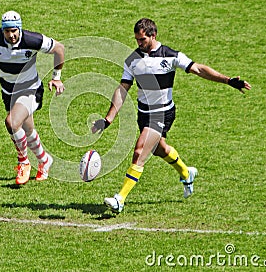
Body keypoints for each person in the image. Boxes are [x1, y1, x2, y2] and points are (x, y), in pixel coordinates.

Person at [92, 18, 251, 213]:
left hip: (162, 113)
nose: (138, 44)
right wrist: (108, 119)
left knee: (139, 151)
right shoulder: (132, 60)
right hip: (144, 114)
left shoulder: (170, 56)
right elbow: (122, 89)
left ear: (153, 35)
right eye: (136, 40)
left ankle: (120, 199)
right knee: (159, 149)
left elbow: (199, 69)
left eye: (142, 39)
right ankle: (186, 172)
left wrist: (227, 81)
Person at [0, 11, 65, 185]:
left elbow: (59, 49)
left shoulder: (32, 40)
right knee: (27, 129)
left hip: (31, 90)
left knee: (11, 122)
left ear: (20, 29)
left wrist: (56, 77)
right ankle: (45, 160)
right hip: (8, 92)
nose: (11, 35)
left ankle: (24, 161)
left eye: (14, 31)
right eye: (7, 31)